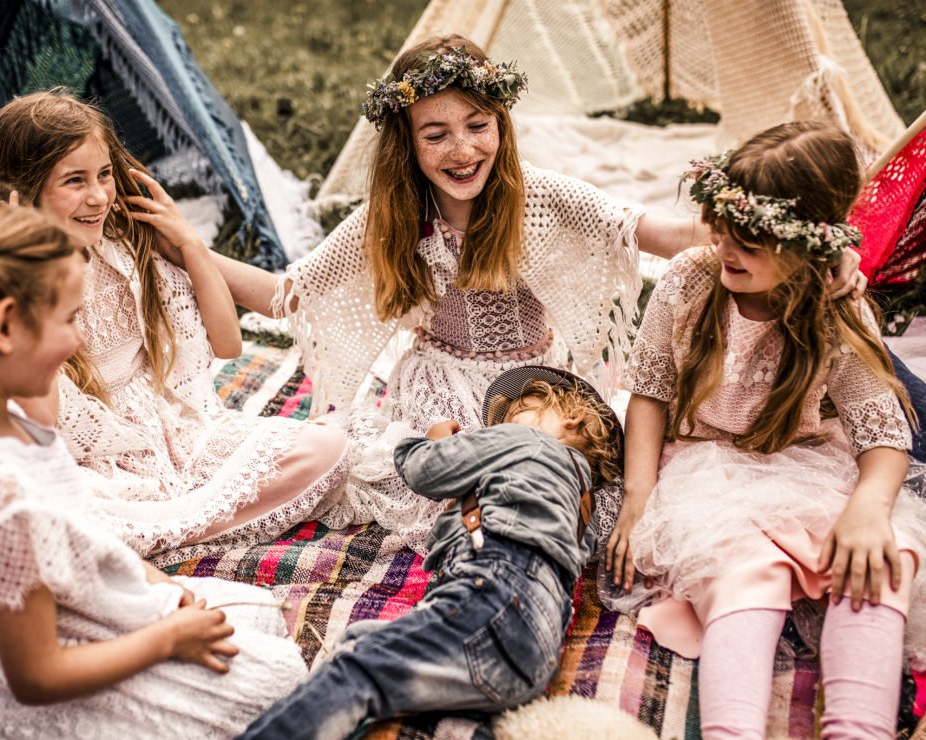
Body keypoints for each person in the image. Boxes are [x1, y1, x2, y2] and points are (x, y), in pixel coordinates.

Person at [194, 35, 865, 553]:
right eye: (436, 134)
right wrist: (189, 247)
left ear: (501, 124)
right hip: (442, 385)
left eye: (477, 125)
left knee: (575, 484)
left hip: (539, 382)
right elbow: (288, 296)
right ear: (407, 144)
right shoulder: (392, 219)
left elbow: (664, 233)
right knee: (462, 485)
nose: (462, 150)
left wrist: (817, 245)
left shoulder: (539, 197)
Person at [0, 192, 308, 737]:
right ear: (3, 329)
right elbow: (36, 676)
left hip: (92, 606)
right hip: (54, 687)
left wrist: (158, 589)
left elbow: (59, 514)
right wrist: (167, 637)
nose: (78, 339)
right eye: (69, 319)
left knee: (256, 611)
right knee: (280, 677)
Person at [603, 122, 926, 739]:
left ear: (807, 247)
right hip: (706, 467)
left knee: (882, 557)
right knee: (745, 568)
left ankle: (859, 727)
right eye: (722, 230)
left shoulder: (836, 306)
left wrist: (869, 506)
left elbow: (881, 429)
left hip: (807, 464)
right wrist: (639, 492)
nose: (726, 249)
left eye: (749, 243)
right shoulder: (691, 281)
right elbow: (649, 391)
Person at [0, 91, 349, 558]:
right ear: (22, 194)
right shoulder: (5, 290)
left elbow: (228, 343)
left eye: (104, 174)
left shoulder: (123, 248)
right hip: (91, 459)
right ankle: (165, 524)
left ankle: (161, 528)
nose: (98, 196)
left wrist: (189, 245)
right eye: (74, 181)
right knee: (48, 512)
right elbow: (44, 421)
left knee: (328, 448)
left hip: (174, 435)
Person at [235, 365, 623, 739]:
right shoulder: (580, 506)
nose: (501, 427)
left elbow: (424, 470)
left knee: (356, 670)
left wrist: (433, 440)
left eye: (518, 412)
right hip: (534, 659)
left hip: (493, 604)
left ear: (571, 417)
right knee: (367, 647)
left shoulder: (527, 441)